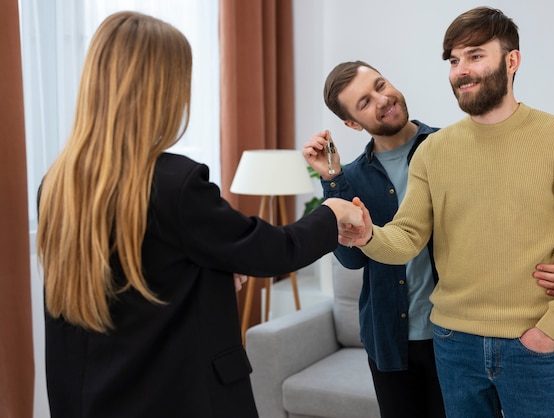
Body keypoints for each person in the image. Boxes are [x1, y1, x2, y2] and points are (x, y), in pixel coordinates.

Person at [36, 11, 364, 418]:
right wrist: (331, 213)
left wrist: (214, 268)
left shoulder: (58, 183)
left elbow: (143, 276)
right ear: (162, 90)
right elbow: (272, 251)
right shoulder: (175, 183)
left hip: (93, 397)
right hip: (178, 395)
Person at [344, 7, 554, 418]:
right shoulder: (433, 150)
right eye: (454, 60)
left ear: (511, 61)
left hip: (530, 343)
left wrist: (550, 329)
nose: (461, 70)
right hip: (453, 344)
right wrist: (368, 236)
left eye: (475, 56)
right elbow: (409, 236)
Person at [303, 61, 554, 417]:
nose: (382, 99)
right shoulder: (350, 177)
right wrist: (332, 179)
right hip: (389, 341)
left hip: (458, 336)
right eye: (364, 102)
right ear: (352, 124)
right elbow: (353, 259)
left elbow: (502, 226)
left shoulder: (455, 146)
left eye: (381, 85)